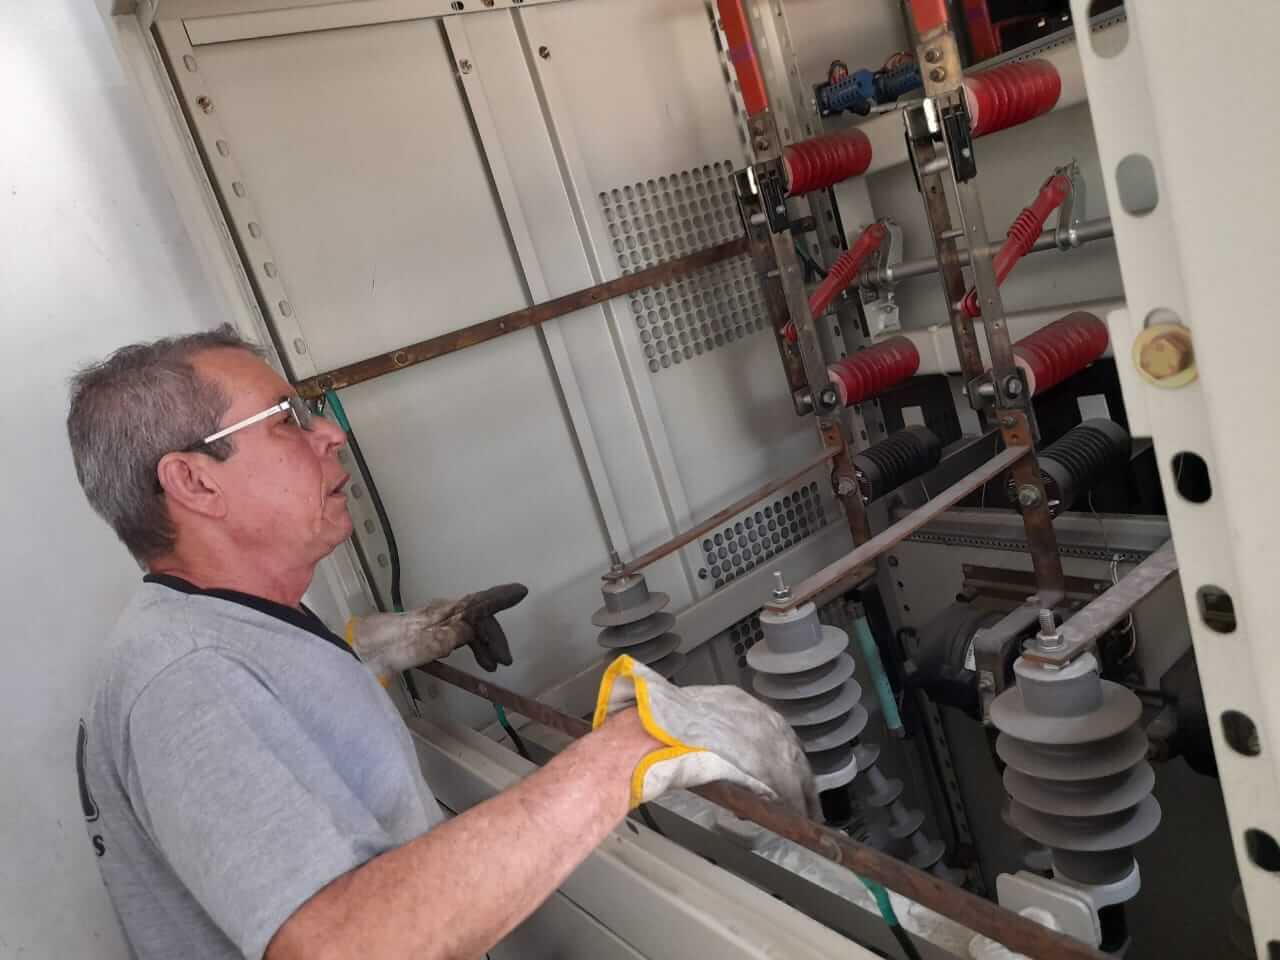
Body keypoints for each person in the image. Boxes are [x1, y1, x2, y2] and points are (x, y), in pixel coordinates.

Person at [68, 326, 816, 960]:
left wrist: (373, 650)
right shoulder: (186, 681)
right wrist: (633, 749)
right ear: (195, 483)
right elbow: (339, 947)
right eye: (286, 419)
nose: (329, 433)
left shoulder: (213, 633)